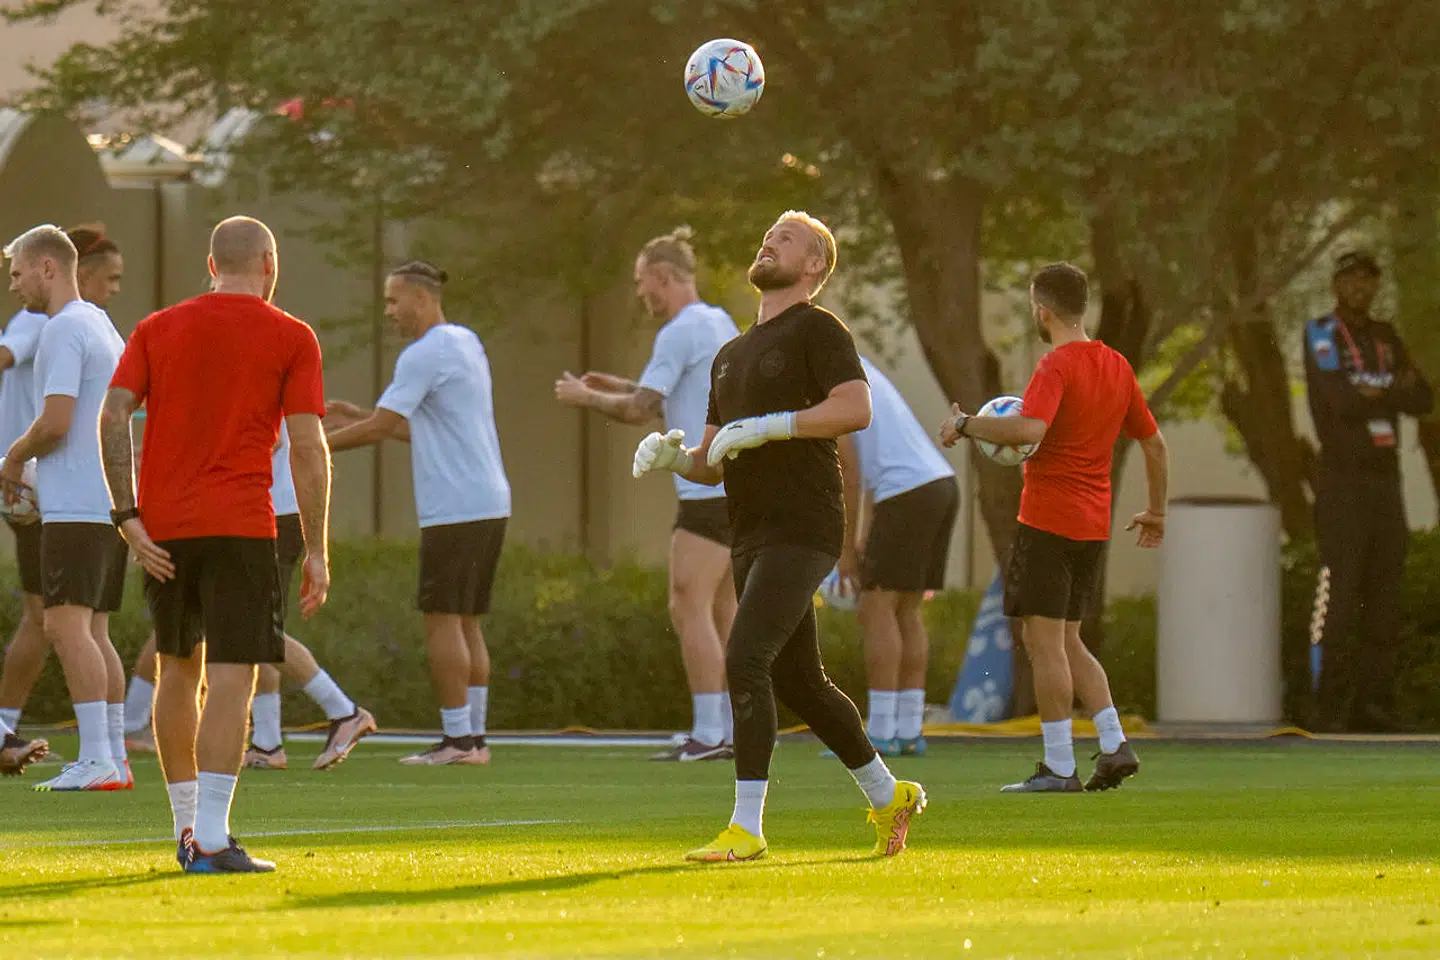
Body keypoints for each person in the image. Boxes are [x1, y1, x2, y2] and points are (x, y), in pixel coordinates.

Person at [632, 210, 925, 862]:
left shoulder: (819, 329)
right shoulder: (730, 355)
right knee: (801, 682)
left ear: (815, 266)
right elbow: (712, 461)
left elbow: (856, 408)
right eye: (767, 236)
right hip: (750, 531)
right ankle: (889, 795)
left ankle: (747, 828)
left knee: (744, 657)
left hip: (806, 525)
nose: (770, 242)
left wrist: (773, 426)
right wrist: (673, 459)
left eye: (786, 239)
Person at [99, 215, 331, 873]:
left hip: (164, 528)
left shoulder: (155, 328)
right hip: (241, 525)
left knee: (178, 669)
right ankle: (212, 836)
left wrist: (126, 514)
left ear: (210, 263)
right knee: (235, 676)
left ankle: (185, 832)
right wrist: (316, 547)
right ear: (268, 261)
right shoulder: (291, 335)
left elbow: (113, 414)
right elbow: (310, 445)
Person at [940, 261, 1166, 793]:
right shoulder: (1117, 365)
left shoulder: (1056, 367)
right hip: (1092, 527)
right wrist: (1157, 511)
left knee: (1043, 645)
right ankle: (1114, 745)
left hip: (1047, 522)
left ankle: (1060, 766)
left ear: (1042, 310)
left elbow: (1027, 428)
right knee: (1069, 641)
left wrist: (966, 425)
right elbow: (1154, 444)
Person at [554, 227, 739, 762]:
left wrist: (585, 396)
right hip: (734, 484)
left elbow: (640, 410)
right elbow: (668, 401)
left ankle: (708, 735)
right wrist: (613, 386)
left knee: (688, 606)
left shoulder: (680, 330)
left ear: (663, 277)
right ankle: (730, 731)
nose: (641, 295)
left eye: (643, 283)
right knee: (724, 613)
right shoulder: (719, 322)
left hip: (705, 490)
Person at [326, 261, 509, 767]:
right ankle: (473, 739)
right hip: (488, 500)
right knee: (467, 622)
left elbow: (385, 427)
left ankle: (456, 740)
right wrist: (359, 416)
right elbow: (420, 427)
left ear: (422, 299)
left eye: (393, 300)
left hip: (454, 507)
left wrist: (314, 445)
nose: (389, 312)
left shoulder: (423, 353)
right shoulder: (465, 342)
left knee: (441, 620)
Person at [123, 424, 375, 772]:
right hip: (264, 509)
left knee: (248, 626)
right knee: (246, 629)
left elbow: (263, 440)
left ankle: (343, 711)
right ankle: (269, 743)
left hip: (266, 510)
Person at [2, 224, 130, 792]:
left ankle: (98, 757)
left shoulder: (60, 329)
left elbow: (55, 423)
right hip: (107, 504)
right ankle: (116, 755)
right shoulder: (101, 325)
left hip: (75, 504)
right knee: (95, 631)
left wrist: (13, 459)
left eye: (17, 272)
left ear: (47, 268)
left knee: (64, 625)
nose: (14, 285)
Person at [1304, 251, 1433, 733]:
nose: (1360, 287)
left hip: (1386, 480)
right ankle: (1328, 708)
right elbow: (1337, 400)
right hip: (1342, 479)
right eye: (1350, 279)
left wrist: (1376, 390)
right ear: (1336, 285)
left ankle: (1375, 705)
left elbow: (1422, 397)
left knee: (1384, 595)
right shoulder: (1321, 332)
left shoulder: (1385, 336)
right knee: (1340, 595)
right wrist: (1383, 389)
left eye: (1368, 279)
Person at [834, 356, 958, 757]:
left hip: (906, 493)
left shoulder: (829, 383)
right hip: (938, 487)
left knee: (876, 609)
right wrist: (867, 533)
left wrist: (846, 551)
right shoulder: (857, 368)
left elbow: (848, 475)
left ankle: (881, 733)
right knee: (905, 610)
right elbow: (874, 464)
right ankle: (908, 731)